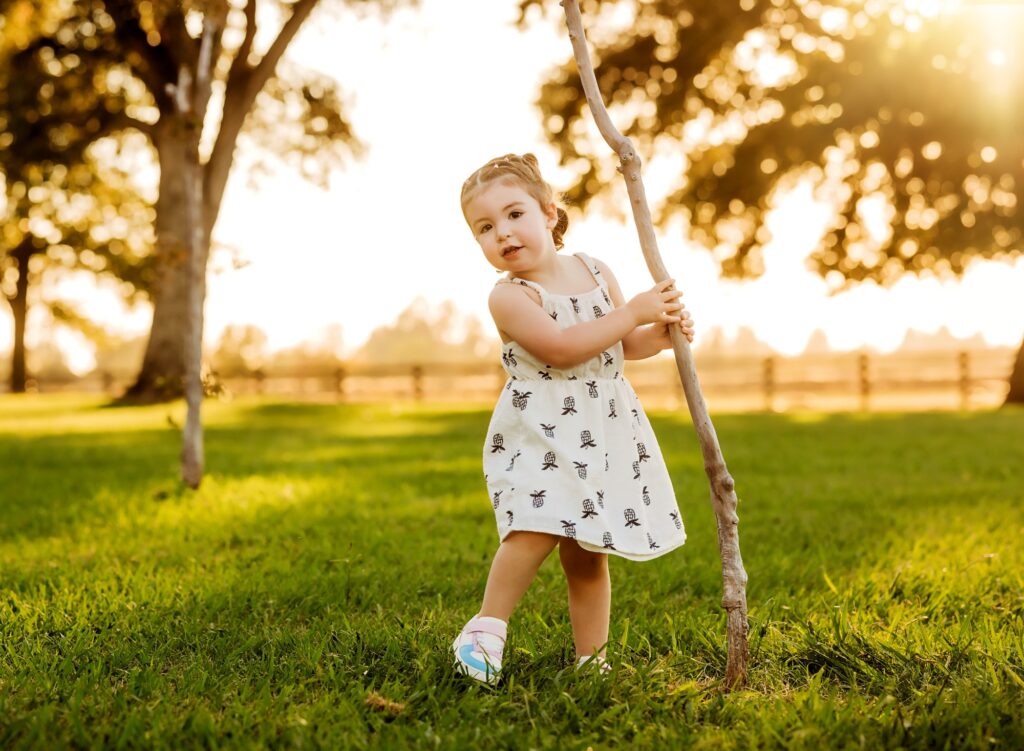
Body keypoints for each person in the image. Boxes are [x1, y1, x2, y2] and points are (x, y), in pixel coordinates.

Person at [452, 153, 694, 684]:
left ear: (549, 213)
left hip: (602, 428)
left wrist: (662, 332)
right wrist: (632, 311)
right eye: (486, 228)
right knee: (535, 526)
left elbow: (622, 344)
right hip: (542, 429)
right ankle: (484, 633)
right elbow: (562, 349)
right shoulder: (510, 297)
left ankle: (593, 660)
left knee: (589, 551)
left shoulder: (595, 270)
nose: (503, 234)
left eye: (515, 215)